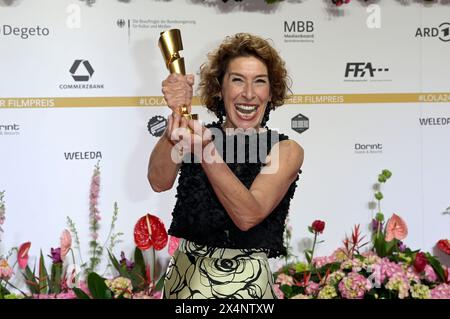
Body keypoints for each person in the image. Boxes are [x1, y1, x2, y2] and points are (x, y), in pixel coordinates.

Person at [148, 33, 304, 299]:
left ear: (271, 91)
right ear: (220, 88)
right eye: (237, 80)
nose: (248, 94)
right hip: (185, 282)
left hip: (247, 288)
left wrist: (206, 151)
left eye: (260, 82)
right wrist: (177, 115)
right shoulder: (197, 134)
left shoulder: (286, 150)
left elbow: (248, 216)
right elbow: (158, 181)